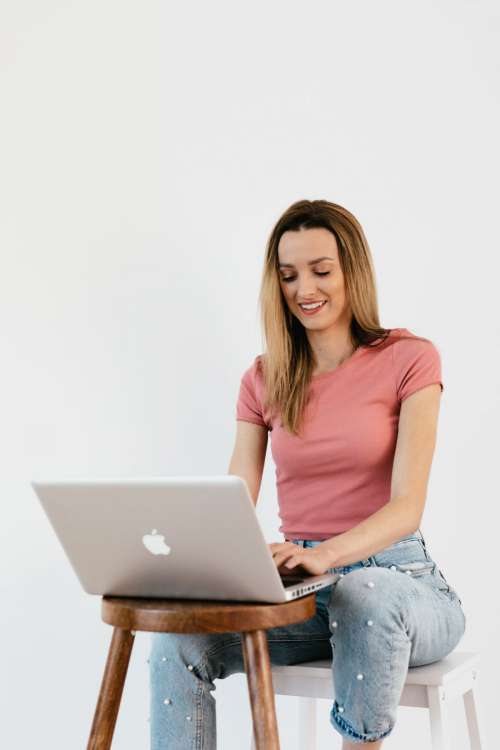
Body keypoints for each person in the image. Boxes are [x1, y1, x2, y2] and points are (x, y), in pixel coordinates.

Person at [149, 199, 466, 749]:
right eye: (289, 275)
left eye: (321, 271)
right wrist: (199, 554)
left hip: (402, 587)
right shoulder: (265, 377)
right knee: (178, 642)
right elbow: (235, 493)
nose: (304, 289)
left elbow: (406, 505)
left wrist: (328, 553)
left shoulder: (411, 359)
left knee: (363, 592)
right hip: (303, 593)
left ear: (352, 271)